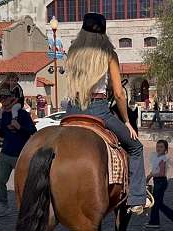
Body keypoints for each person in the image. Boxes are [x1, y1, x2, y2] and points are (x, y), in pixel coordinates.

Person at [64, 13, 147, 214]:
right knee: (136, 147)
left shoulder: (73, 51)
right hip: (98, 109)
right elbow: (118, 94)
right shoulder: (109, 53)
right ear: (104, 33)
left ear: (82, 30)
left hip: (72, 109)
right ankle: (137, 198)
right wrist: (126, 121)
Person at [0, 89, 37, 218]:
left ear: (12, 98)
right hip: (5, 154)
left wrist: (19, 127)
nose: (3, 101)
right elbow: (3, 133)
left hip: (21, 155)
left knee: (23, 184)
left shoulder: (22, 114)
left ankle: (27, 208)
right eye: (0, 98)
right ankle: (3, 205)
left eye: (5, 98)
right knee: (0, 180)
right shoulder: (2, 115)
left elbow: (33, 131)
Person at [145, 140, 173, 229]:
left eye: (161, 147)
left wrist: (150, 175)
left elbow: (161, 173)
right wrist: (149, 177)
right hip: (157, 181)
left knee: (155, 203)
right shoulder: (155, 156)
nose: (159, 148)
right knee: (158, 203)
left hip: (161, 181)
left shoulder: (163, 159)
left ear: (165, 148)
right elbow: (155, 169)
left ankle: (155, 222)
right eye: (157, 146)